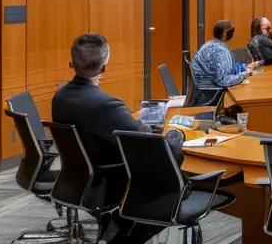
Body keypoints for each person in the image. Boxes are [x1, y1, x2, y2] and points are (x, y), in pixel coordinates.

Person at [52, 33, 183, 244]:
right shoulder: (105, 105)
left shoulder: (60, 97)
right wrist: (177, 135)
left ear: (72, 64)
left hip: (77, 177)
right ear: (103, 69)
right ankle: (118, 235)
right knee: (170, 174)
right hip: (109, 181)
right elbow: (148, 144)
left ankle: (114, 229)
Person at [190, 19, 258, 105]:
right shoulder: (221, 50)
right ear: (225, 34)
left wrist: (244, 67)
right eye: (232, 31)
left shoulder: (209, 44)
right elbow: (223, 81)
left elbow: (225, 68)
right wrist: (244, 75)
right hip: (210, 94)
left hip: (201, 92)